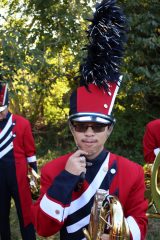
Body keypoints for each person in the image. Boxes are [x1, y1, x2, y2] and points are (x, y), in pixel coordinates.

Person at [31, 0, 148, 239]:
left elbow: (140, 221)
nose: (89, 133)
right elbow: (43, 229)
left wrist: (121, 233)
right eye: (81, 126)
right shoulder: (54, 170)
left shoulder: (132, 171)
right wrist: (67, 177)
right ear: (72, 129)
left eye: (98, 126)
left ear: (110, 129)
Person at [0, 82, 37, 240]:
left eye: (1, 111)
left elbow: (30, 152)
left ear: (7, 105)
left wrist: (34, 176)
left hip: (20, 177)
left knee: (26, 214)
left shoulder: (22, 123)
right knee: (1, 213)